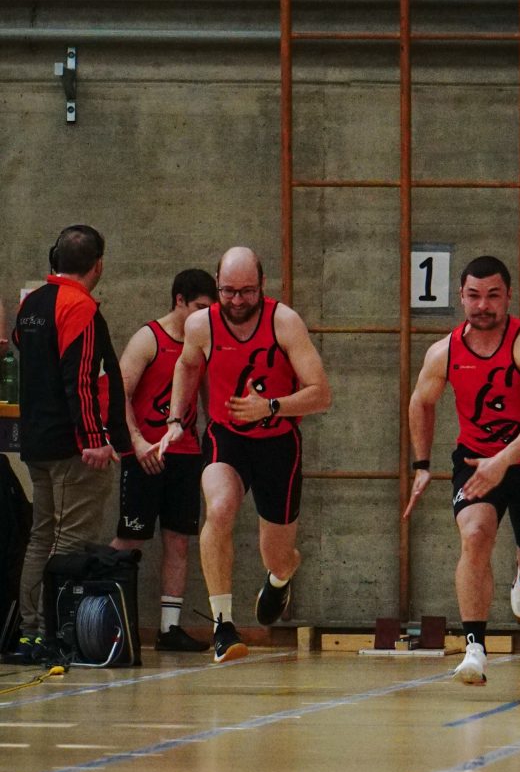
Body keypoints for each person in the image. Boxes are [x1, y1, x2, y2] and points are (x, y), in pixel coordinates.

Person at [158, 247, 331, 663]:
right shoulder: (201, 325)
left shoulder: (284, 322)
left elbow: (321, 394)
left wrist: (270, 406)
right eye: (229, 291)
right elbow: (187, 366)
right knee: (219, 509)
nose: (237, 301)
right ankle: (223, 625)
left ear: (263, 285)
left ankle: (281, 576)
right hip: (227, 437)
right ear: (217, 284)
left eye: (247, 292)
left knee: (278, 556)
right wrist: (176, 419)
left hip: (278, 442)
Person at [403, 255, 520, 686]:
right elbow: (420, 401)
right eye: (474, 296)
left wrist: (504, 460)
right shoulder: (444, 352)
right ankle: (474, 646)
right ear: (461, 297)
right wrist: (422, 465)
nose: (483, 305)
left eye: (493, 295)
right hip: (475, 461)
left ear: (508, 297)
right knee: (474, 535)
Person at [11, 224, 128, 661]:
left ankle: (30, 633)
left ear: (55, 258)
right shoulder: (79, 307)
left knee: (41, 539)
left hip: (38, 442)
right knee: (67, 543)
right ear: (98, 265)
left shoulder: (32, 305)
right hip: (73, 449)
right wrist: (95, 440)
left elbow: (23, 348)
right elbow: (80, 380)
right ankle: (51, 636)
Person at [109, 269, 218, 652]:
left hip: (185, 456)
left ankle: (169, 629)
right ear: (179, 301)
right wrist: (137, 443)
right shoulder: (149, 338)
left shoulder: (201, 342)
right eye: (200, 307)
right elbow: (118, 393)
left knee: (179, 541)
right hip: (144, 456)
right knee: (131, 537)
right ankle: (104, 617)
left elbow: (209, 399)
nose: (205, 315)